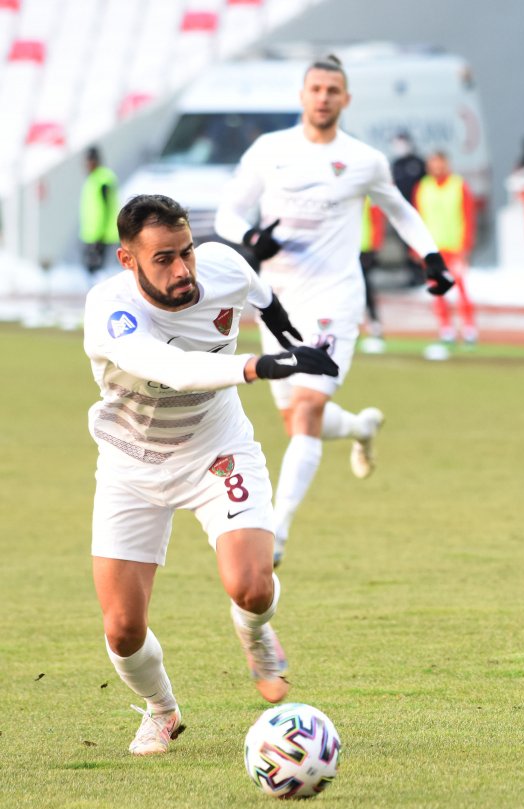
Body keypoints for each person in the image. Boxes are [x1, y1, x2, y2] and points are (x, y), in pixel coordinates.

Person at [84, 194, 340, 756]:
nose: (182, 270)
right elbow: (173, 369)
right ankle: (161, 709)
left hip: (216, 449)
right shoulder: (110, 309)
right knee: (122, 629)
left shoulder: (222, 266)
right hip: (131, 465)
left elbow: (259, 291)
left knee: (252, 587)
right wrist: (263, 364)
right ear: (128, 260)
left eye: (187, 252)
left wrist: (287, 334)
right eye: (163, 259)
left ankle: (255, 633)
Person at [214, 54, 453, 567]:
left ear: (346, 99)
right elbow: (228, 212)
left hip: (335, 297)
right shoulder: (270, 150)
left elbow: (399, 209)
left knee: (307, 410)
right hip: (277, 302)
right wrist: (251, 238)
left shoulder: (364, 160)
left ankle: (276, 532)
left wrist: (431, 256)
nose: (323, 98)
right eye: (316, 89)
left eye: (333, 90)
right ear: (302, 96)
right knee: (295, 419)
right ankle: (362, 427)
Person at [414, 150, 478, 344]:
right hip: (432, 249)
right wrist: (416, 246)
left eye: (440, 163)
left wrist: (466, 245)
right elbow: (416, 219)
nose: (437, 167)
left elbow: (468, 216)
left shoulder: (458, 185)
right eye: (433, 164)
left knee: (461, 288)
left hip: (455, 247)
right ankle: (446, 329)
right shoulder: (423, 187)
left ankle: (469, 328)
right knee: (438, 290)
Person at [390, 130, 429, 287]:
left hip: (419, 211)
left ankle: (424, 274)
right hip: (402, 213)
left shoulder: (418, 163)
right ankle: (414, 274)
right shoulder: (396, 165)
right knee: (407, 245)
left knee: (421, 243)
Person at [79, 146, 119, 274]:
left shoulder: (103, 179)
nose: (87, 165)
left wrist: (99, 235)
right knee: (92, 271)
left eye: (89, 161)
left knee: (100, 272)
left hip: (102, 237)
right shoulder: (93, 179)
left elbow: (107, 208)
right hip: (91, 235)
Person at [359, 195, 387, 353]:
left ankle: (374, 325)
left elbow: (377, 222)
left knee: (365, 288)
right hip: (347, 250)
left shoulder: (369, 198)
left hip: (364, 249)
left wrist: (375, 247)